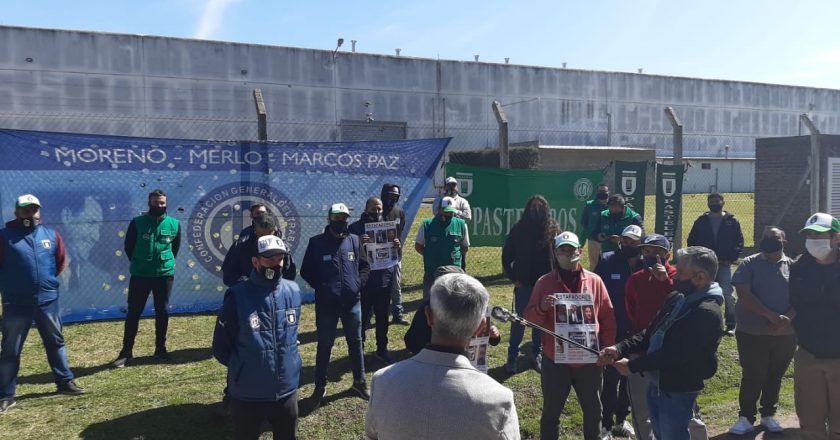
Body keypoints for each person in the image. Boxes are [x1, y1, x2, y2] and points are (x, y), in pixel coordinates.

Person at [365, 272, 520, 440]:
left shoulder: (383, 381)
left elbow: (372, 434)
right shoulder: (499, 399)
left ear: (429, 317)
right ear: (480, 327)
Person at [599, 246, 724, 440]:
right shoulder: (678, 298)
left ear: (700, 278)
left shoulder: (707, 312)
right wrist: (619, 348)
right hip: (656, 382)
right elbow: (650, 333)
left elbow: (676, 355)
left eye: (680, 273)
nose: (673, 277)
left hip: (677, 388)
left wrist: (632, 366)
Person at [524, 231, 616, 440]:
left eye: (571, 249)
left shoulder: (595, 281)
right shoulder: (544, 282)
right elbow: (529, 319)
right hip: (555, 359)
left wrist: (607, 348)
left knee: (593, 412)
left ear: (580, 252)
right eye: (562, 250)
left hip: (590, 360)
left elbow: (607, 317)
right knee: (551, 412)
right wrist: (541, 307)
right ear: (555, 253)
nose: (567, 254)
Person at [0, 194, 84, 413]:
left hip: (48, 302)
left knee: (56, 342)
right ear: (17, 212)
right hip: (16, 304)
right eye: (26, 209)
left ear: (39, 211)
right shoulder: (4, 236)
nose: (30, 213)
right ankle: (6, 395)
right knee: (10, 350)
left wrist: (44, 285)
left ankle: (65, 381)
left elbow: (60, 262)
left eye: (34, 209)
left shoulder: (51, 234)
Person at [212, 235, 301, 439]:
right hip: (248, 393)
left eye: (279, 259)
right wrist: (245, 366)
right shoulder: (237, 296)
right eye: (268, 259)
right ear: (255, 261)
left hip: (286, 388)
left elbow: (292, 333)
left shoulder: (293, 291)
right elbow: (221, 348)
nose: (275, 264)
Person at [301, 203, 370, 406]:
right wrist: (322, 287)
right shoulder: (316, 243)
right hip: (327, 305)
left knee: (356, 343)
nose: (340, 221)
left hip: (352, 303)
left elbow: (365, 267)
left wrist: (357, 285)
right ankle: (319, 387)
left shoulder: (355, 241)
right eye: (337, 217)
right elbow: (306, 270)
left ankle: (360, 382)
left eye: (344, 217)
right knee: (324, 345)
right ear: (329, 218)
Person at [726, 226, 793, 435]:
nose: (769, 242)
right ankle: (746, 417)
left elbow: (802, 297)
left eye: (774, 239)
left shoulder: (793, 266)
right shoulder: (749, 263)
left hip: (785, 334)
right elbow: (744, 294)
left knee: (775, 374)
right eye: (766, 239)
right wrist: (771, 317)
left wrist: (786, 320)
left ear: (784, 242)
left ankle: (768, 414)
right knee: (753, 375)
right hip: (752, 333)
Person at [112, 189, 181, 368]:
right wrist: (141, 262)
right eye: (156, 203)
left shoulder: (174, 224)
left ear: (166, 204)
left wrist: (164, 263)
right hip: (141, 275)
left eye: (162, 203)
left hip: (164, 276)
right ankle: (126, 353)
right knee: (134, 312)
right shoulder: (137, 223)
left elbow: (175, 249)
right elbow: (129, 247)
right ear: (149, 203)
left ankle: (160, 350)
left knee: (162, 312)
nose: (159, 206)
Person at [789, 212, 840, 440]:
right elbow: (795, 304)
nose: (812, 239)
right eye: (809, 234)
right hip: (809, 356)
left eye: (818, 234)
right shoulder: (799, 268)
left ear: (836, 237)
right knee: (810, 426)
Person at [623, 233, 675, 440]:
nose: (651, 255)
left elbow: (680, 304)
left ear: (667, 254)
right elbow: (631, 310)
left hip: (670, 352)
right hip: (642, 349)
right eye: (646, 251)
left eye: (657, 252)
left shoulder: (678, 277)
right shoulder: (636, 279)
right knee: (642, 410)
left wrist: (665, 281)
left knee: (679, 408)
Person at [594, 224, 644, 438]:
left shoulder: (646, 263)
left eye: (633, 241)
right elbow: (595, 292)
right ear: (620, 241)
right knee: (610, 378)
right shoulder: (607, 261)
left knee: (628, 378)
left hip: (637, 332)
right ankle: (605, 424)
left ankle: (622, 420)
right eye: (626, 240)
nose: (629, 244)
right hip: (612, 330)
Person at [501, 195, 560, 374]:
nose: (536, 209)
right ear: (527, 209)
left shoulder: (553, 228)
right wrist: (514, 278)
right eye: (533, 206)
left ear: (546, 209)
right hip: (524, 284)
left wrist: (558, 279)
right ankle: (512, 357)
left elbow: (559, 254)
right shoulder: (519, 229)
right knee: (519, 320)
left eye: (540, 206)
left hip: (545, 285)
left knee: (540, 320)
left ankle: (537, 354)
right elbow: (506, 256)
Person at [403, 265, 501, 354]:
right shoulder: (428, 307)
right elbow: (411, 341)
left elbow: (487, 330)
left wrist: (494, 334)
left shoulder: (470, 304)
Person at [349, 197, 399, 365]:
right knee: (361, 319)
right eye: (373, 209)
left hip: (384, 280)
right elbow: (347, 255)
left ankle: (382, 349)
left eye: (379, 209)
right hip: (364, 282)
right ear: (366, 209)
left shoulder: (388, 226)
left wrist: (396, 246)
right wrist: (358, 244)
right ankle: (359, 350)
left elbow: (397, 257)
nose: (377, 212)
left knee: (383, 317)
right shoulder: (354, 228)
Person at [686, 192, 744, 336]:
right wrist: (699, 258)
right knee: (702, 291)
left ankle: (731, 323)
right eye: (711, 201)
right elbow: (692, 241)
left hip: (724, 264)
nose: (714, 203)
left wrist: (731, 258)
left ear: (723, 202)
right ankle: (703, 320)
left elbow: (739, 241)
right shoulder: (701, 220)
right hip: (705, 265)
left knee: (728, 293)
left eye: (717, 201)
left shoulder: (732, 221)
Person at [222, 206, 296, 286]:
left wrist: (275, 286)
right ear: (255, 230)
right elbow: (229, 274)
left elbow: (289, 274)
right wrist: (250, 285)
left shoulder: (282, 247)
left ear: (274, 231)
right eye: (261, 234)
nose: (264, 238)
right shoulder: (240, 245)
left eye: (268, 234)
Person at [415, 196, 469, 298]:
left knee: (453, 302)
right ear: (439, 210)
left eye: (451, 212)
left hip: (454, 273)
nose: (449, 215)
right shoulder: (427, 225)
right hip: (432, 272)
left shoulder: (461, 225)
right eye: (446, 211)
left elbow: (464, 248)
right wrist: (430, 255)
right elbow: (418, 246)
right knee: (430, 302)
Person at [380, 183, 410, 325]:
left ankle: (397, 314)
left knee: (395, 286)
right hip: (377, 257)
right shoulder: (377, 210)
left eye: (395, 196)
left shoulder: (399, 212)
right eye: (389, 195)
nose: (392, 199)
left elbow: (400, 230)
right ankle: (374, 314)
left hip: (394, 256)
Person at [432, 177, 472, 269]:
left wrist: (454, 212)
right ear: (445, 186)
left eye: (453, 185)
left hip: (458, 232)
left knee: (460, 258)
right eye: (449, 185)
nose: (451, 187)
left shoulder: (462, 201)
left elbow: (468, 217)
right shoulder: (439, 200)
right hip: (441, 231)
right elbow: (436, 213)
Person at [581, 184, 610, 269]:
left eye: (604, 192)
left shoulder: (612, 205)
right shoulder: (590, 205)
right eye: (600, 192)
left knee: (608, 262)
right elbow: (584, 222)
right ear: (597, 193)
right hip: (593, 240)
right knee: (594, 264)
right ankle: (594, 281)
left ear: (608, 193)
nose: (602, 194)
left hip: (608, 239)